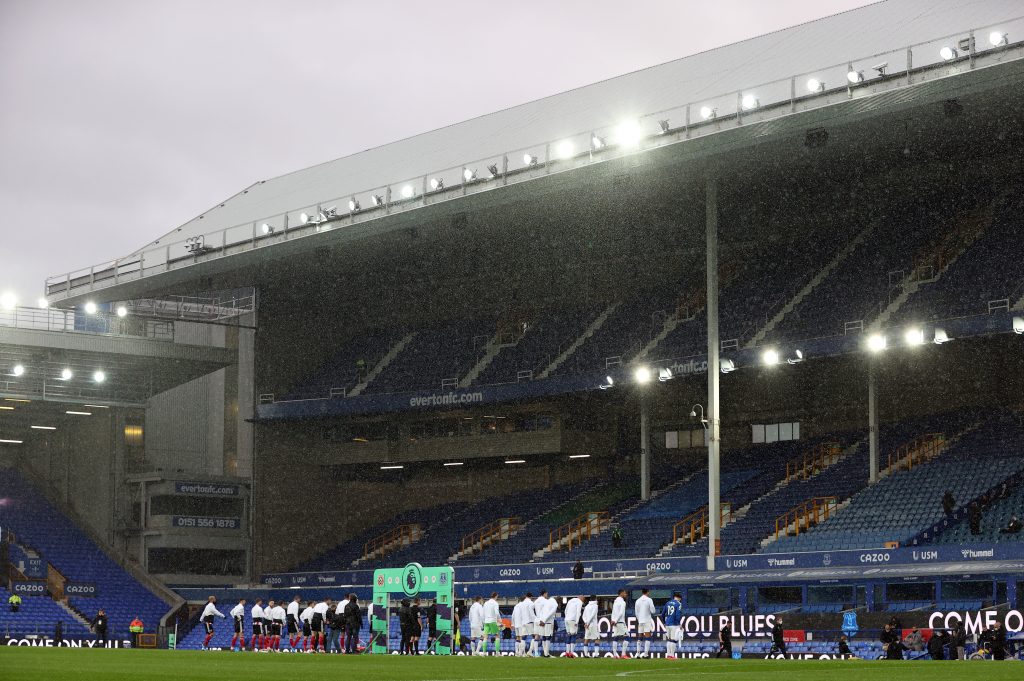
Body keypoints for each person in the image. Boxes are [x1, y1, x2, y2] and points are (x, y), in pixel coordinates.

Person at [634, 588, 656, 658]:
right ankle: (646, 654)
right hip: (647, 620)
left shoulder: (637, 601)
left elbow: (636, 612)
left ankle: (638, 654)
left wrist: (639, 619)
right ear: (648, 592)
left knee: (640, 637)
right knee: (647, 637)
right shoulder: (649, 600)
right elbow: (653, 611)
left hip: (640, 620)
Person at [535, 589, 558, 658]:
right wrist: (544, 620)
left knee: (542, 636)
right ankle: (546, 654)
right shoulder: (551, 603)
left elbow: (539, 611)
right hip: (546, 621)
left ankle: (542, 653)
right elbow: (550, 613)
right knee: (548, 636)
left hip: (540, 620)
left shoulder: (540, 601)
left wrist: (540, 620)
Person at [661, 592, 683, 659]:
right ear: (679, 598)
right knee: (673, 640)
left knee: (669, 639)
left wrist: (664, 622)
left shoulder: (668, 603)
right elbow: (678, 615)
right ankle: (672, 655)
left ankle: (668, 655)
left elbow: (662, 614)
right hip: (674, 624)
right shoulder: (678, 604)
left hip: (667, 623)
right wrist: (679, 623)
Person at [611, 589, 629, 659]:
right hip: (620, 622)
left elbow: (613, 612)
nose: (626, 594)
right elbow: (621, 613)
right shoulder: (622, 602)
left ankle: (615, 655)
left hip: (615, 622)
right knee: (627, 637)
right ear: (621, 593)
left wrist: (613, 620)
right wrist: (615, 620)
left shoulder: (615, 601)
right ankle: (623, 654)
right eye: (625, 593)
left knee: (616, 637)